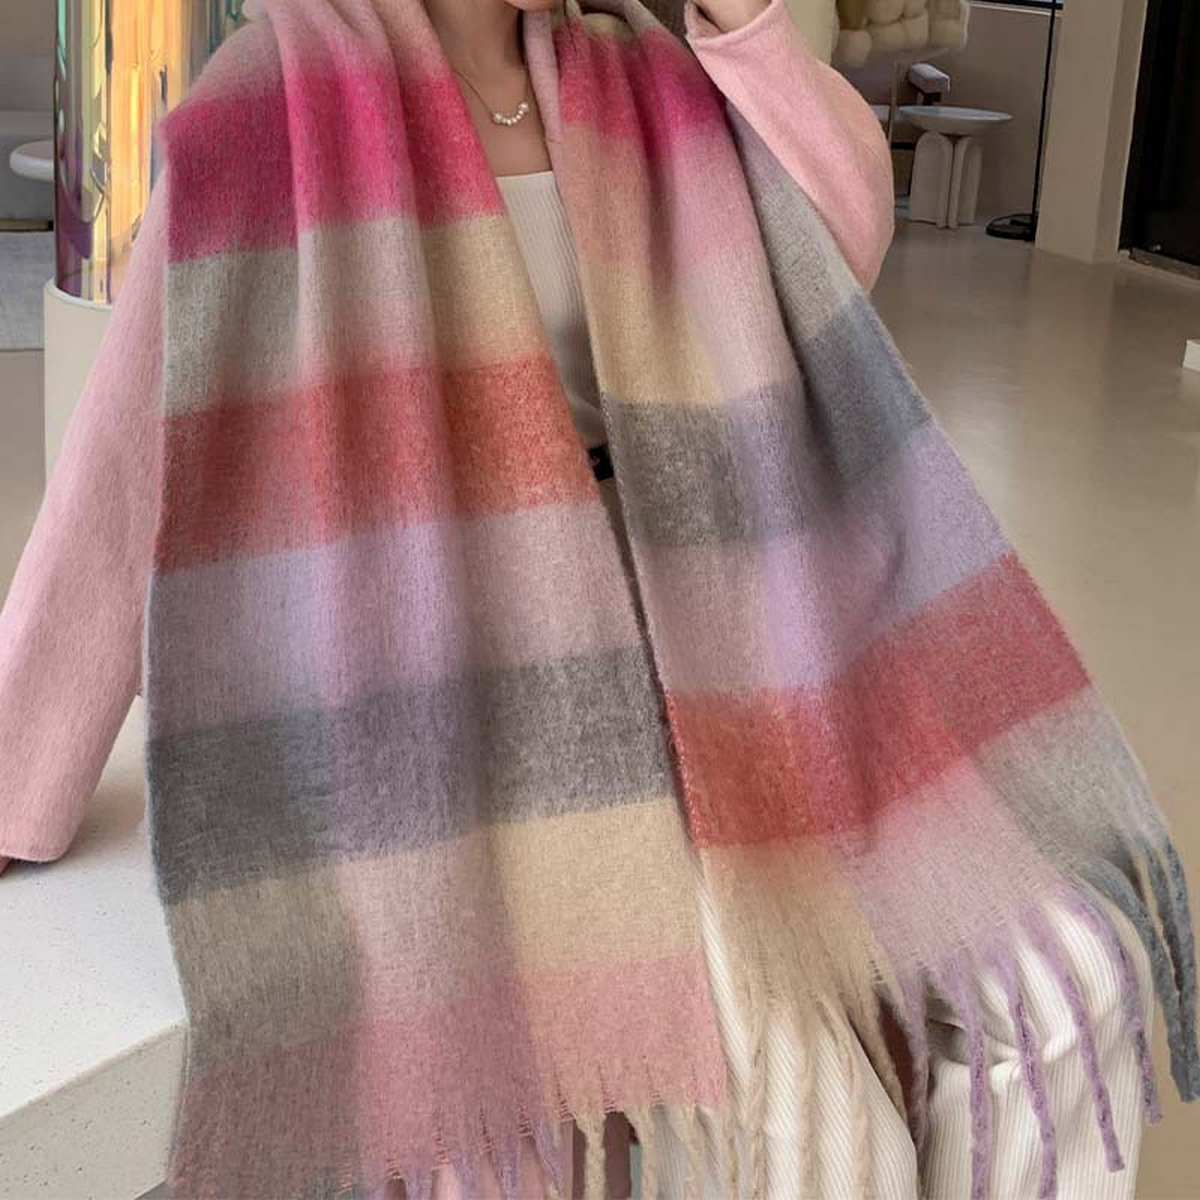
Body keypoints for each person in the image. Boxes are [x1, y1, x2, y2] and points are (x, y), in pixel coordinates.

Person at [0, 1, 1176, 1197]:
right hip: (478, 689)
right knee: (797, 1099)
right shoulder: (268, 104)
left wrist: (742, 19)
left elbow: (843, 230)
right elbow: (120, 476)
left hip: (727, 626)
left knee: (1077, 973)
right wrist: (17, 779)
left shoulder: (637, 74)